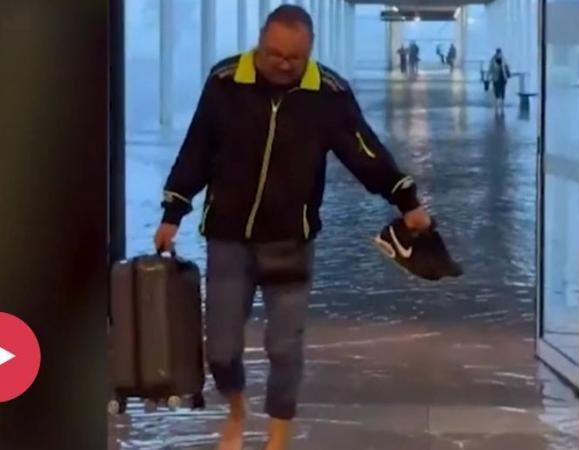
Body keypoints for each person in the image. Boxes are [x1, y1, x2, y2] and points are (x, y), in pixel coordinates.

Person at [153, 5, 431, 450]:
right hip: (228, 236)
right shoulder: (225, 82)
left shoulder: (329, 93)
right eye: (274, 54)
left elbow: (365, 153)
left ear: (310, 52)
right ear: (260, 43)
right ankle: (237, 411)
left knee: (284, 348)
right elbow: (197, 149)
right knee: (221, 349)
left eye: (293, 58)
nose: (282, 65)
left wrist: (406, 200)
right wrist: (173, 211)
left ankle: (278, 435)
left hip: (291, 241)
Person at [488, 48, 511, 115]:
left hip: (503, 78)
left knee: (503, 91)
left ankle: (502, 106)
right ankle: (497, 106)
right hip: (495, 78)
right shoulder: (493, 60)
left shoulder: (503, 59)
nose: (499, 54)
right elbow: (490, 68)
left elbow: (507, 67)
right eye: (498, 53)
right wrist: (488, 77)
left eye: (500, 53)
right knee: (496, 92)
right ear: (496, 53)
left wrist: (507, 74)